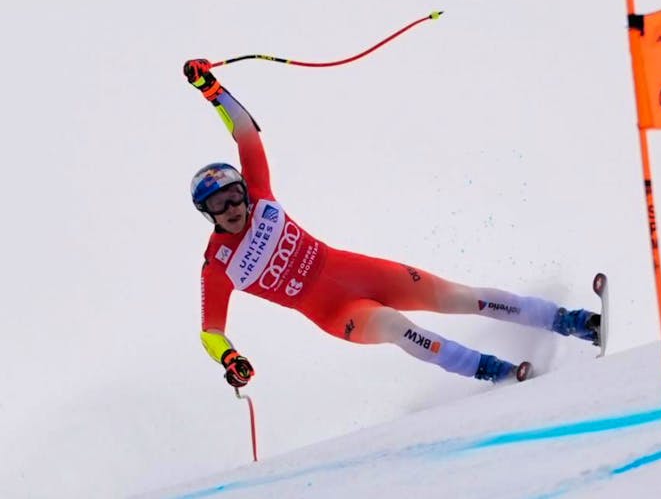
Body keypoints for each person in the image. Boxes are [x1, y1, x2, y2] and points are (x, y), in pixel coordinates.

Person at [184, 59, 600, 388]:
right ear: (207, 213)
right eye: (218, 205)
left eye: (234, 195)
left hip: (361, 272)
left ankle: (576, 322)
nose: (232, 208)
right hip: (338, 311)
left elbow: (246, 132)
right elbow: (210, 333)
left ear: (244, 190)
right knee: (398, 328)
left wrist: (212, 90)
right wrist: (230, 358)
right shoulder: (217, 265)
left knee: (459, 297)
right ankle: (497, 372)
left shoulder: (260, 196)